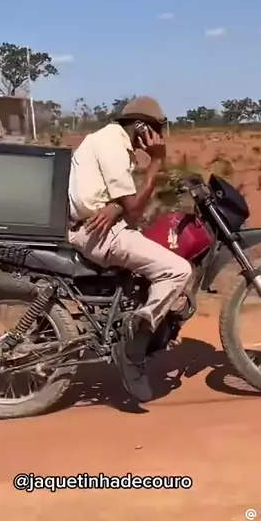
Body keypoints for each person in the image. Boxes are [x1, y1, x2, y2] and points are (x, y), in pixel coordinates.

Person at [67, 96, 192, 402]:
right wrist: (157, 162)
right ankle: (134, 347)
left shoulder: (110, 142)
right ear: (140, 126)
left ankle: (133, 317)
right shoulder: (113, 146)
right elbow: (134, 209)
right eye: (155, 130)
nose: (158, 138)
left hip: (94, 225)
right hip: (96, 233)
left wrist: (115, 207)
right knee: (178, 270)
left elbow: (122, 202)